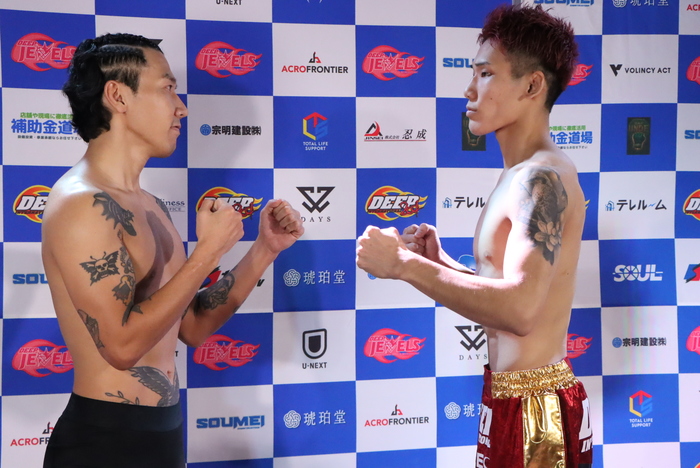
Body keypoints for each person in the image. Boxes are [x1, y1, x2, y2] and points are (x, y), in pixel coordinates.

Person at [41, 33, 304, 468]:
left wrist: (264, 249)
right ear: (118, 96)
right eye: (167, 88)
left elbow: (192, 326)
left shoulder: (149, 205)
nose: (181, 108)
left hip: (163, 436)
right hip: (103, 444)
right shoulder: (81, 203)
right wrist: (207, 254)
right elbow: (121, 347)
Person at [356, 5, 592, 467]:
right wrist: (440, 263)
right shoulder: (521, 174)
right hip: (513, 400)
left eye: (485, 74)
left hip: (537, 413)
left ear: (532, 86)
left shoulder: (540, 178)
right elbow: (511, 292)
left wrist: (404, 265)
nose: (469, 89)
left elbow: (520, 311)